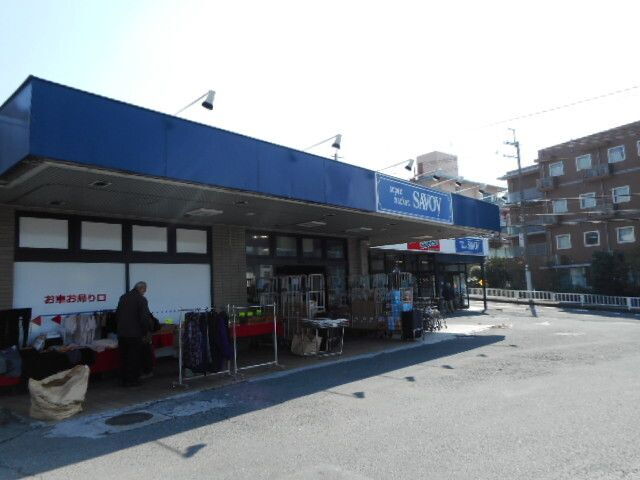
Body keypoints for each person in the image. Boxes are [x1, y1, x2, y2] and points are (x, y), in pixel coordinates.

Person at [116, 281, 154, 387]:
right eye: (144, 290)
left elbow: (117, 315)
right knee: (134, 358)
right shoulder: (141, 300)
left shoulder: (123, 297)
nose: (144, 292)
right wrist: (145, 331)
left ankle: (123, 379)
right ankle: (132, 380)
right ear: (141, 289)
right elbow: (144, 318)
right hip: (135, 334)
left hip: (122, 333)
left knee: (124, 357)